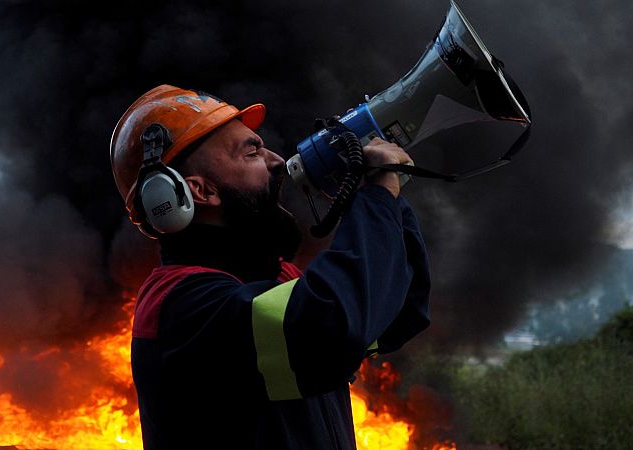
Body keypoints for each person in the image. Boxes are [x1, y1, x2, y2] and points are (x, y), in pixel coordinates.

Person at [110, 85, 430, 450]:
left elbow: (401, 311)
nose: (277, 160)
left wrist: (385, 200)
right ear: (199, 191)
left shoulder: (275, 282)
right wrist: (376, 197)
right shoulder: (180, 308)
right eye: (252, 152)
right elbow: (337, 324)